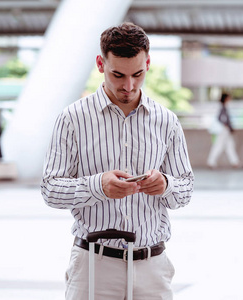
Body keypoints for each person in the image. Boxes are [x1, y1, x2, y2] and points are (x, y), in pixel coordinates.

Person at [40, 22, 194, 300]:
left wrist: (166, 185)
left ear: (148, 63)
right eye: (118, 74)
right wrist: (97, 185)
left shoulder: (167, 121)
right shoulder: (72, 119)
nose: (129, 85)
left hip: (153, 269)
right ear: (101, 64)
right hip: (93, 268)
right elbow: (51, 190)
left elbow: (185, 191)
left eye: (138, 74)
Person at [207, 92, 241, 169]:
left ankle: (235, 162)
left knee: (229, 145)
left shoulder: (223, 106)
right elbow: (221, 118)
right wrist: (227, 125)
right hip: (223, 130)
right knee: (219, 145)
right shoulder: (222, 107)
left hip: (224, 130)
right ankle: (211, 162)